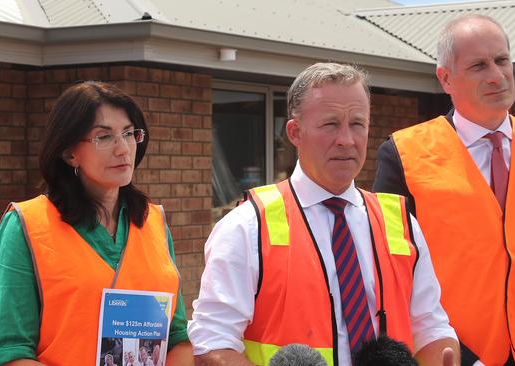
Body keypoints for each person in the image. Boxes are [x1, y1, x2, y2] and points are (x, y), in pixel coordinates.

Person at [188, 62, 460, 366]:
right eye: (331, 124)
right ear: (295, 132)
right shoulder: (246, 226)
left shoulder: (401, 223)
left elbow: (432, 328)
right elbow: (211, 344)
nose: (346, 138)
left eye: (357, 124)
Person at [373, 14, 515, 366]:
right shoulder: (403, 155)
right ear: (445, 78)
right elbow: (392, 278)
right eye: (479, 65)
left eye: (502, 60)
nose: (496, 74)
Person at [0, 81, 194, 366]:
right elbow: (11, 352)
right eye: (104, 137)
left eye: (129, 133)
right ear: (69, 152)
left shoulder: (154, 220)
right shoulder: (26, 225)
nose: (123, 149)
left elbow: (177, 337)